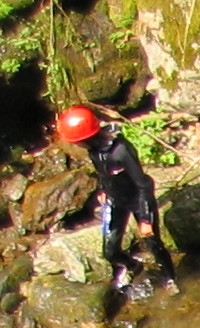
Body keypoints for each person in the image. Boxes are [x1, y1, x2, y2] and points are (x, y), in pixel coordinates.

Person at [55, 105, 176, 295]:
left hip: (138, 198)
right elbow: (102, 172)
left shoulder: (121, 150)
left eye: (76, 141)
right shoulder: (94, 150)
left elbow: (143, 184)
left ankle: (170, 278)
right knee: (110, 251)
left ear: (86, 138)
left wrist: (145, 219)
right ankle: (134, 267)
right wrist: (104, 190)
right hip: (116, 199)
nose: (75, 145)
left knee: (154, 243)